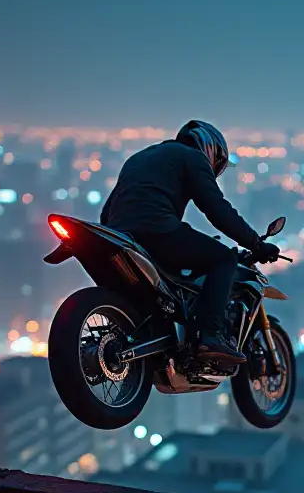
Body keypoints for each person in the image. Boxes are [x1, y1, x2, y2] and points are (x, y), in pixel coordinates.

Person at [100, 120, 281, 364]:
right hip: (158, 232)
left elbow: (106, 213)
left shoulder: (139, 158)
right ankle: (210, 336)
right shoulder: (192, 158)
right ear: (210, 148)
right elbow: (217, 209)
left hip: (121, 237)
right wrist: (256, 244)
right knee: (223, 258)